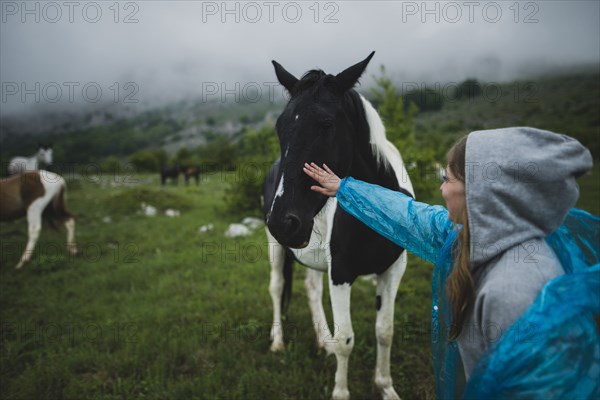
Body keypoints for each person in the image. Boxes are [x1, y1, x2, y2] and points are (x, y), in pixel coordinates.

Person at [303, 127, 599, 399]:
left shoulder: (513, 290)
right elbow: (410, 215)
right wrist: (345, 188)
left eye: (448, 179)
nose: (442, 190)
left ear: (483, 192)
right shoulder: (474, 238)